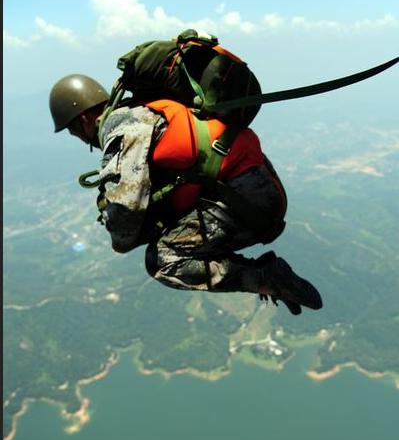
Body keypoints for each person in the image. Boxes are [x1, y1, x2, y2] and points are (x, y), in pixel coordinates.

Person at [49, 74, 322, 315]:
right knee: (171, 234)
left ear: (83, 120)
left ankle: (265, 278)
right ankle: (267, 276)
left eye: (74, 132)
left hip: (247, 200)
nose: (82, 139)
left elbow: (127, 210)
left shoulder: (121, 126)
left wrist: (120, 236)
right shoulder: (144, 109)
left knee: (162, 261)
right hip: (259, 188)